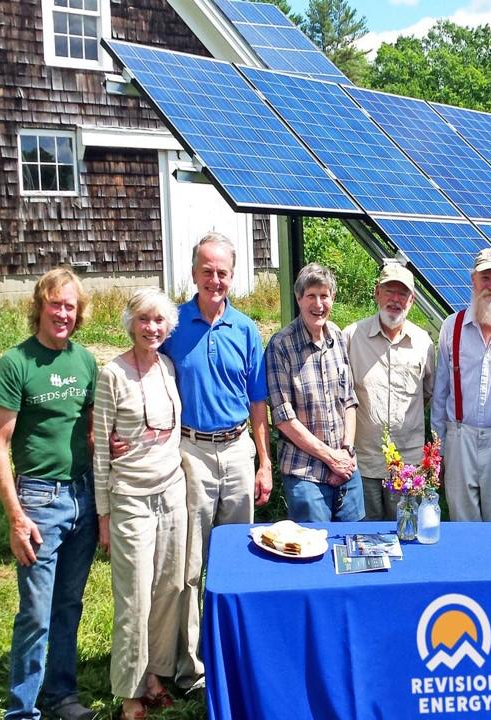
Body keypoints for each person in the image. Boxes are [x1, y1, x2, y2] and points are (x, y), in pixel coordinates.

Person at [147, 232, 272, 694]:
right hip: (191, 453)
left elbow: (258, 400)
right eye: (207, 271)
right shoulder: (173, 325)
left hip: (238, 449)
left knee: (238, 557)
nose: (214, 280)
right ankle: (191, 665)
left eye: (222, 272)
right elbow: (148, 378)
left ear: (232, 276)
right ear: (194, 272)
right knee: (191, 562)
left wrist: (263, 461)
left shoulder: (246, 329)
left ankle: (232, 652)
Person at [0, 268, 99, 720]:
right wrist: (16, 516)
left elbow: (91, 432)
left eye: (70, 306)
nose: (63, 313)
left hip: (83, 498)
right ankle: (21, 710)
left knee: (69, 604)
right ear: (40, 306)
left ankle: (61, 695)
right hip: (39, 500)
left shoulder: (85, 361)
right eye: (56, 304)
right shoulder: (17, 363)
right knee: (35, 612)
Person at [93, 289, 185, 720]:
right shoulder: (112, 374)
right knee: (134, 596)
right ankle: (130, 693)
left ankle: (153, 674)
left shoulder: (167, 367)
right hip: (130, 498)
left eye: (160, 321)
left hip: (172, 492)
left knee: (168, 587)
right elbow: (99, 451)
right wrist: (104, 514)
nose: (152, 328)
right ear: (131, 323)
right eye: (144, 320)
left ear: (169, 327)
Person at [431, 247, 491, 522]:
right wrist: (439, 449)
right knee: (462, 518)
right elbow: (441, 393)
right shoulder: (452, 326)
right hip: (459, 435)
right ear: (473, 280)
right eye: (485, 278)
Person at [267, 262, 364, 522]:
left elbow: (349, 401)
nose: (318, 304)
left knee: (354, 550)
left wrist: (346, 452)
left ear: (333, 299)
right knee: (312, 551)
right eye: (311, 296)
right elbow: (284, 419)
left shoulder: (337, 337)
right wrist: (331, 459)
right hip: (305, 473)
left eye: (324, 296)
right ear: (299, 299)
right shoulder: (281, 345)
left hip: (346, 468)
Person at [342, 262, 434, 521]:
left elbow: (427, 393)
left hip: (407, 465)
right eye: (389, 291)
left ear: (412, 300)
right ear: (376, 293)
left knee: (406, 534)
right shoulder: (352, 337)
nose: (395, 300)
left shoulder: (424, 343)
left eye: (402, 293)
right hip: (365, 462)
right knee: (366, 539)